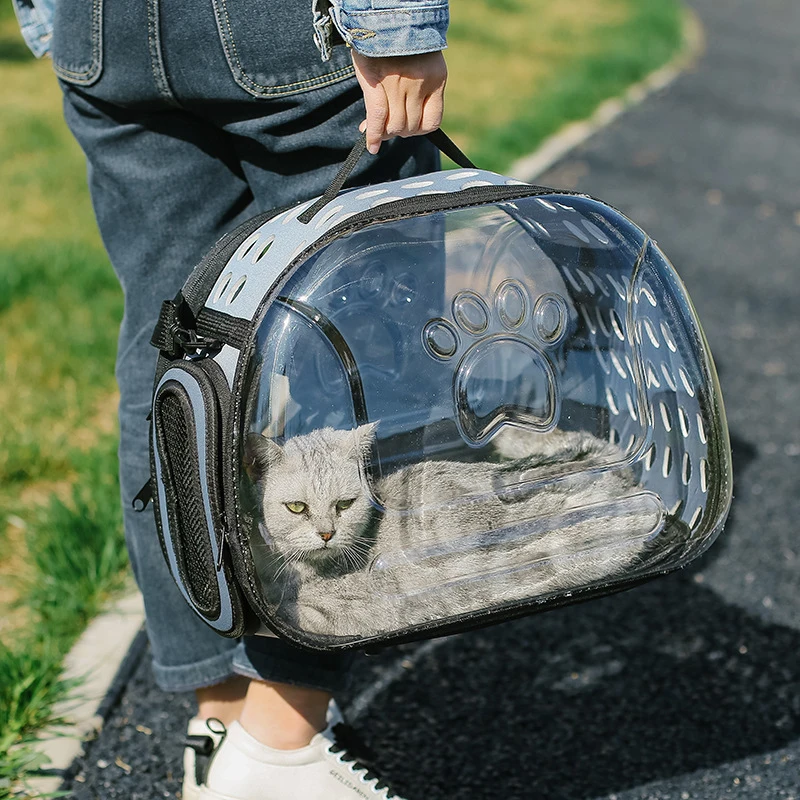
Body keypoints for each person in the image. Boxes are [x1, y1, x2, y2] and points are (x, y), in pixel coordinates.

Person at [12, 0, 449, 796]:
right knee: (354, 329)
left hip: (101, 34)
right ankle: (281, 742)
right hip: (270, 26)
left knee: (170, 343)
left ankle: (219, 721)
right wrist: (398, 26)